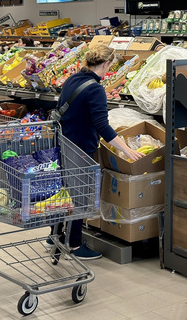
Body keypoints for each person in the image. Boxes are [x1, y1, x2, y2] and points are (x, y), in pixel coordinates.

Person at [50, 45, 144, 259]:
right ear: (106, 64)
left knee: (64, 191)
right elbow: (102, 125)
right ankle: (74, 245)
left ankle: (54, 236)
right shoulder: (95, 88)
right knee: (80, 195)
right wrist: (127, 150)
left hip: (64, 142)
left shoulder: (72, 79)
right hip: (80, 147)